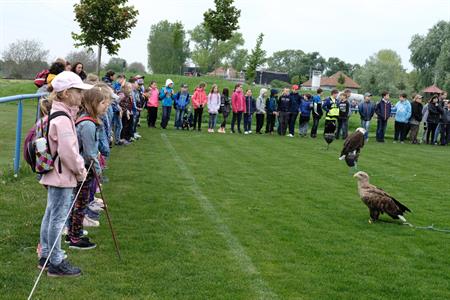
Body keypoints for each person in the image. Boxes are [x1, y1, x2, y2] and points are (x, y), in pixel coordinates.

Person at [38, 71, 91, 277]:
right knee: (57, 218)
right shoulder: (63, 119)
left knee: (51, 214)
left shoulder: (61, 114)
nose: (80, 95)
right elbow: (69, 151)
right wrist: (81, 170)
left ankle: (46, 256)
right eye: (78, 91)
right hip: (62, 176)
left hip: (57, 174)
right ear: (67, 93)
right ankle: (56, 261)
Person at [68, 87, 108, 250]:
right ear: (93, 104)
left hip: (84, 168)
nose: (106, 106)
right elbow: (90, 154)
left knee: (78, 201)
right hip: (84, 169)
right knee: (80, 202)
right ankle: (75, 238)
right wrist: (98, 171)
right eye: (103, 102)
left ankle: (73, 233)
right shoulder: (88, 124)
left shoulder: (88, 121)